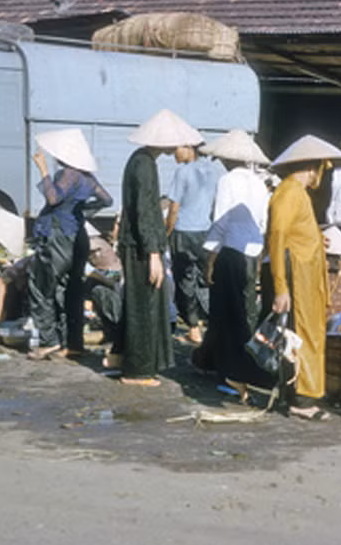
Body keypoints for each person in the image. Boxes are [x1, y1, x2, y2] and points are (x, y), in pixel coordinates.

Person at [267, 134, 341, 420]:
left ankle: (299, 395)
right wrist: (281, 287)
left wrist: (315, 238)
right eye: (322, 170)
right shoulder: (289, 192)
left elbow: (294, 232)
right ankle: (300, 400)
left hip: (306, 277)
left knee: (304, 334)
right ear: (313, 168)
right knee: (299, 336)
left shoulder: (298, 193)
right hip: (296, 278)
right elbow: (277, 236)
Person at [198, 130, 275, 402]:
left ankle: (231, 371)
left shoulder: (227, 181)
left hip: (230, 251)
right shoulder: (259, 184)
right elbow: (263, 224)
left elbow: (220, 221)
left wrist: (210, 260)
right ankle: (222, 363)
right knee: (244, 311)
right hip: (252, 253)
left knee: (226, 312)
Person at [117, 109, 191, 386]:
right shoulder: (145, 165)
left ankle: (125, 359)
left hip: (137, 243)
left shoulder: (141, 160)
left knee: (138, 302)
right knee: (144, 306)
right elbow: (145, 211)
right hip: (140, 246)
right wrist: (154, 254)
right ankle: (137, 371)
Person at [27, 128, 112, 360]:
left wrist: (43, 170)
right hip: (78, 236)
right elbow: (107, 200)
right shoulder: (88, 178)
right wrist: (81, 211)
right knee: (72, 290)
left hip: (58, 235)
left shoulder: (68, 174)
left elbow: (53, 198)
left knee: (41, 287)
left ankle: (48, 341)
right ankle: (73, 343)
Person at [166, 137, 225, 344]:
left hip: (183, 231)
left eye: (177, 147)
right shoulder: (213, 171)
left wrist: (167, 232)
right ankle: (215, 324)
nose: (174, 153)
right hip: (205, 231)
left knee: (185, 281)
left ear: (189, 147)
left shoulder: (182, 172)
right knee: (206, 279)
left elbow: (174, 208)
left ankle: (193, 328)